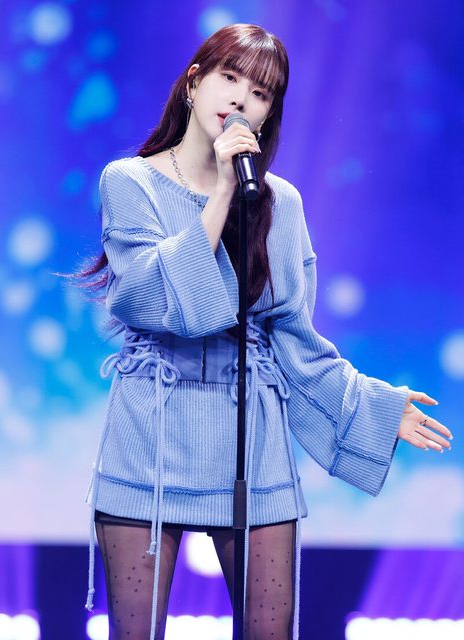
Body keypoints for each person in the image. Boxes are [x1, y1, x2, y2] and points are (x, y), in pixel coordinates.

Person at [80, 23, 453, 640]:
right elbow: (151, 298)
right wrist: (223, 193)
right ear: (194, 83)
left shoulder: (283, 203)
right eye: (229, 78)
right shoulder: (129, 181)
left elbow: (295, 344)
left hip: (250, 432)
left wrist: (375, 407)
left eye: (261, 92)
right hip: (151, 431)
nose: (241, 100)